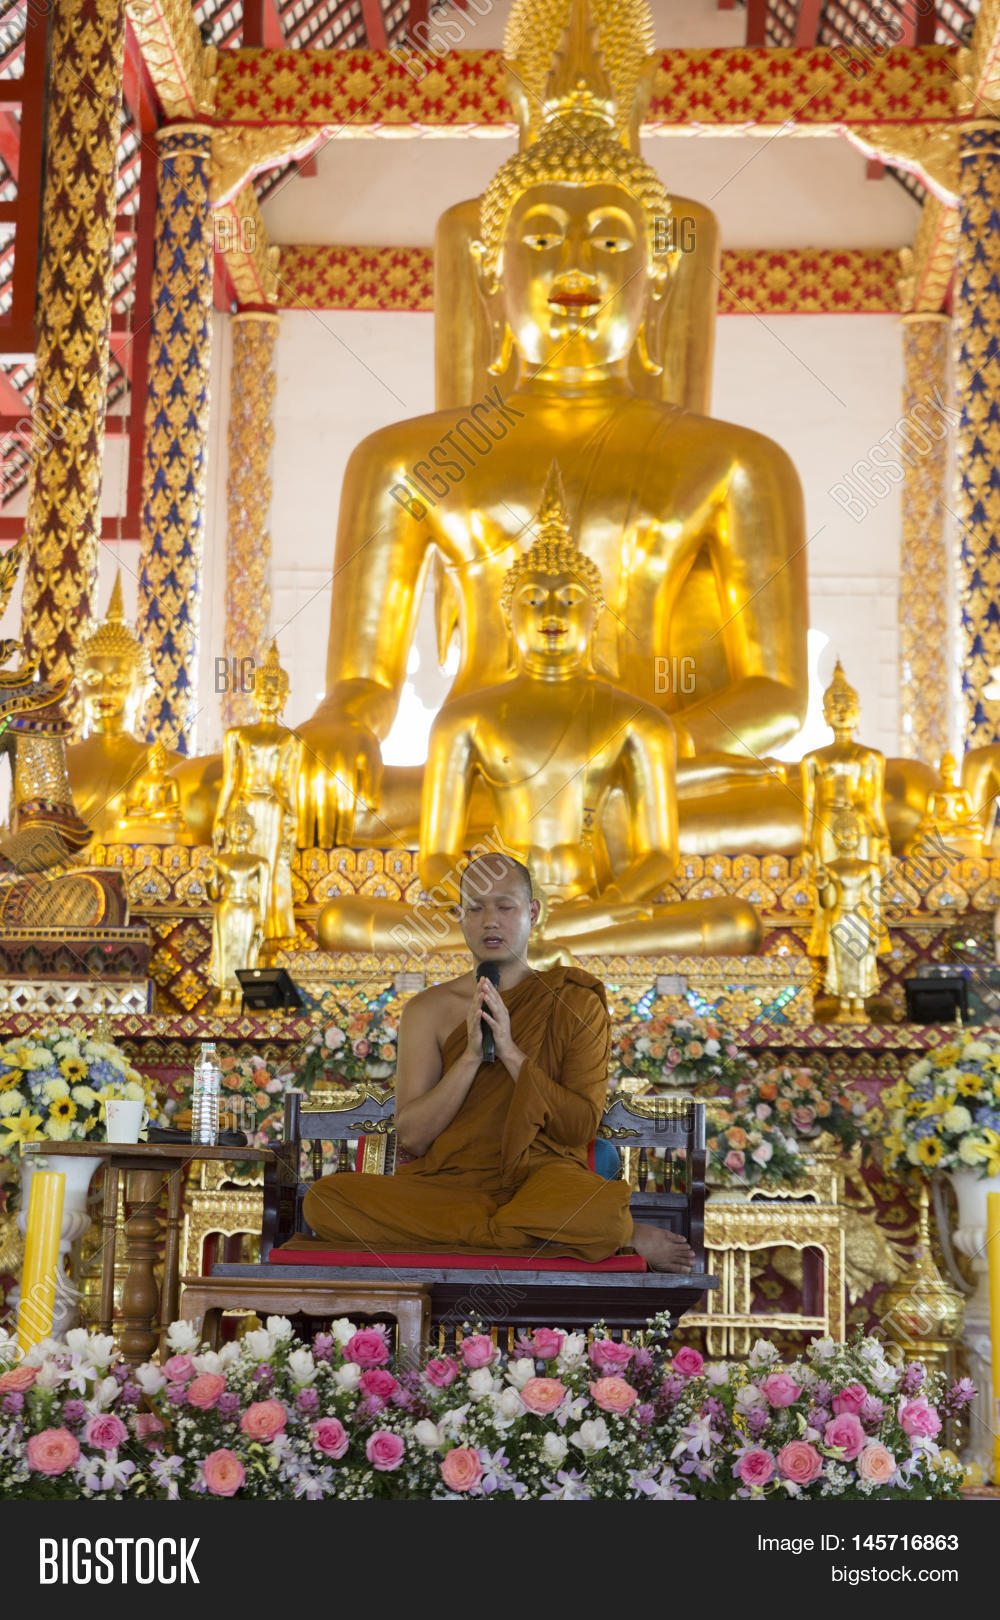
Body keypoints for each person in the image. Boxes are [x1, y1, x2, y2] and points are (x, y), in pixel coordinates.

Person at [302, 852, 696, 1271]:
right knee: (326, 1201)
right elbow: (413, 1138)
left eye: (505, 907)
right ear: (459, 917)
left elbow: (579, 1127)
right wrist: (470, 1057)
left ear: (533, 912)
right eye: (475, 908)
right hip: (448, 1189)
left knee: (590, 1210)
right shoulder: (427, 1010)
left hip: (541, 1182)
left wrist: (509, 1050)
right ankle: (604, 1235)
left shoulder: (573, 1000)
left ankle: (537, 1232)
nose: (490, 920)